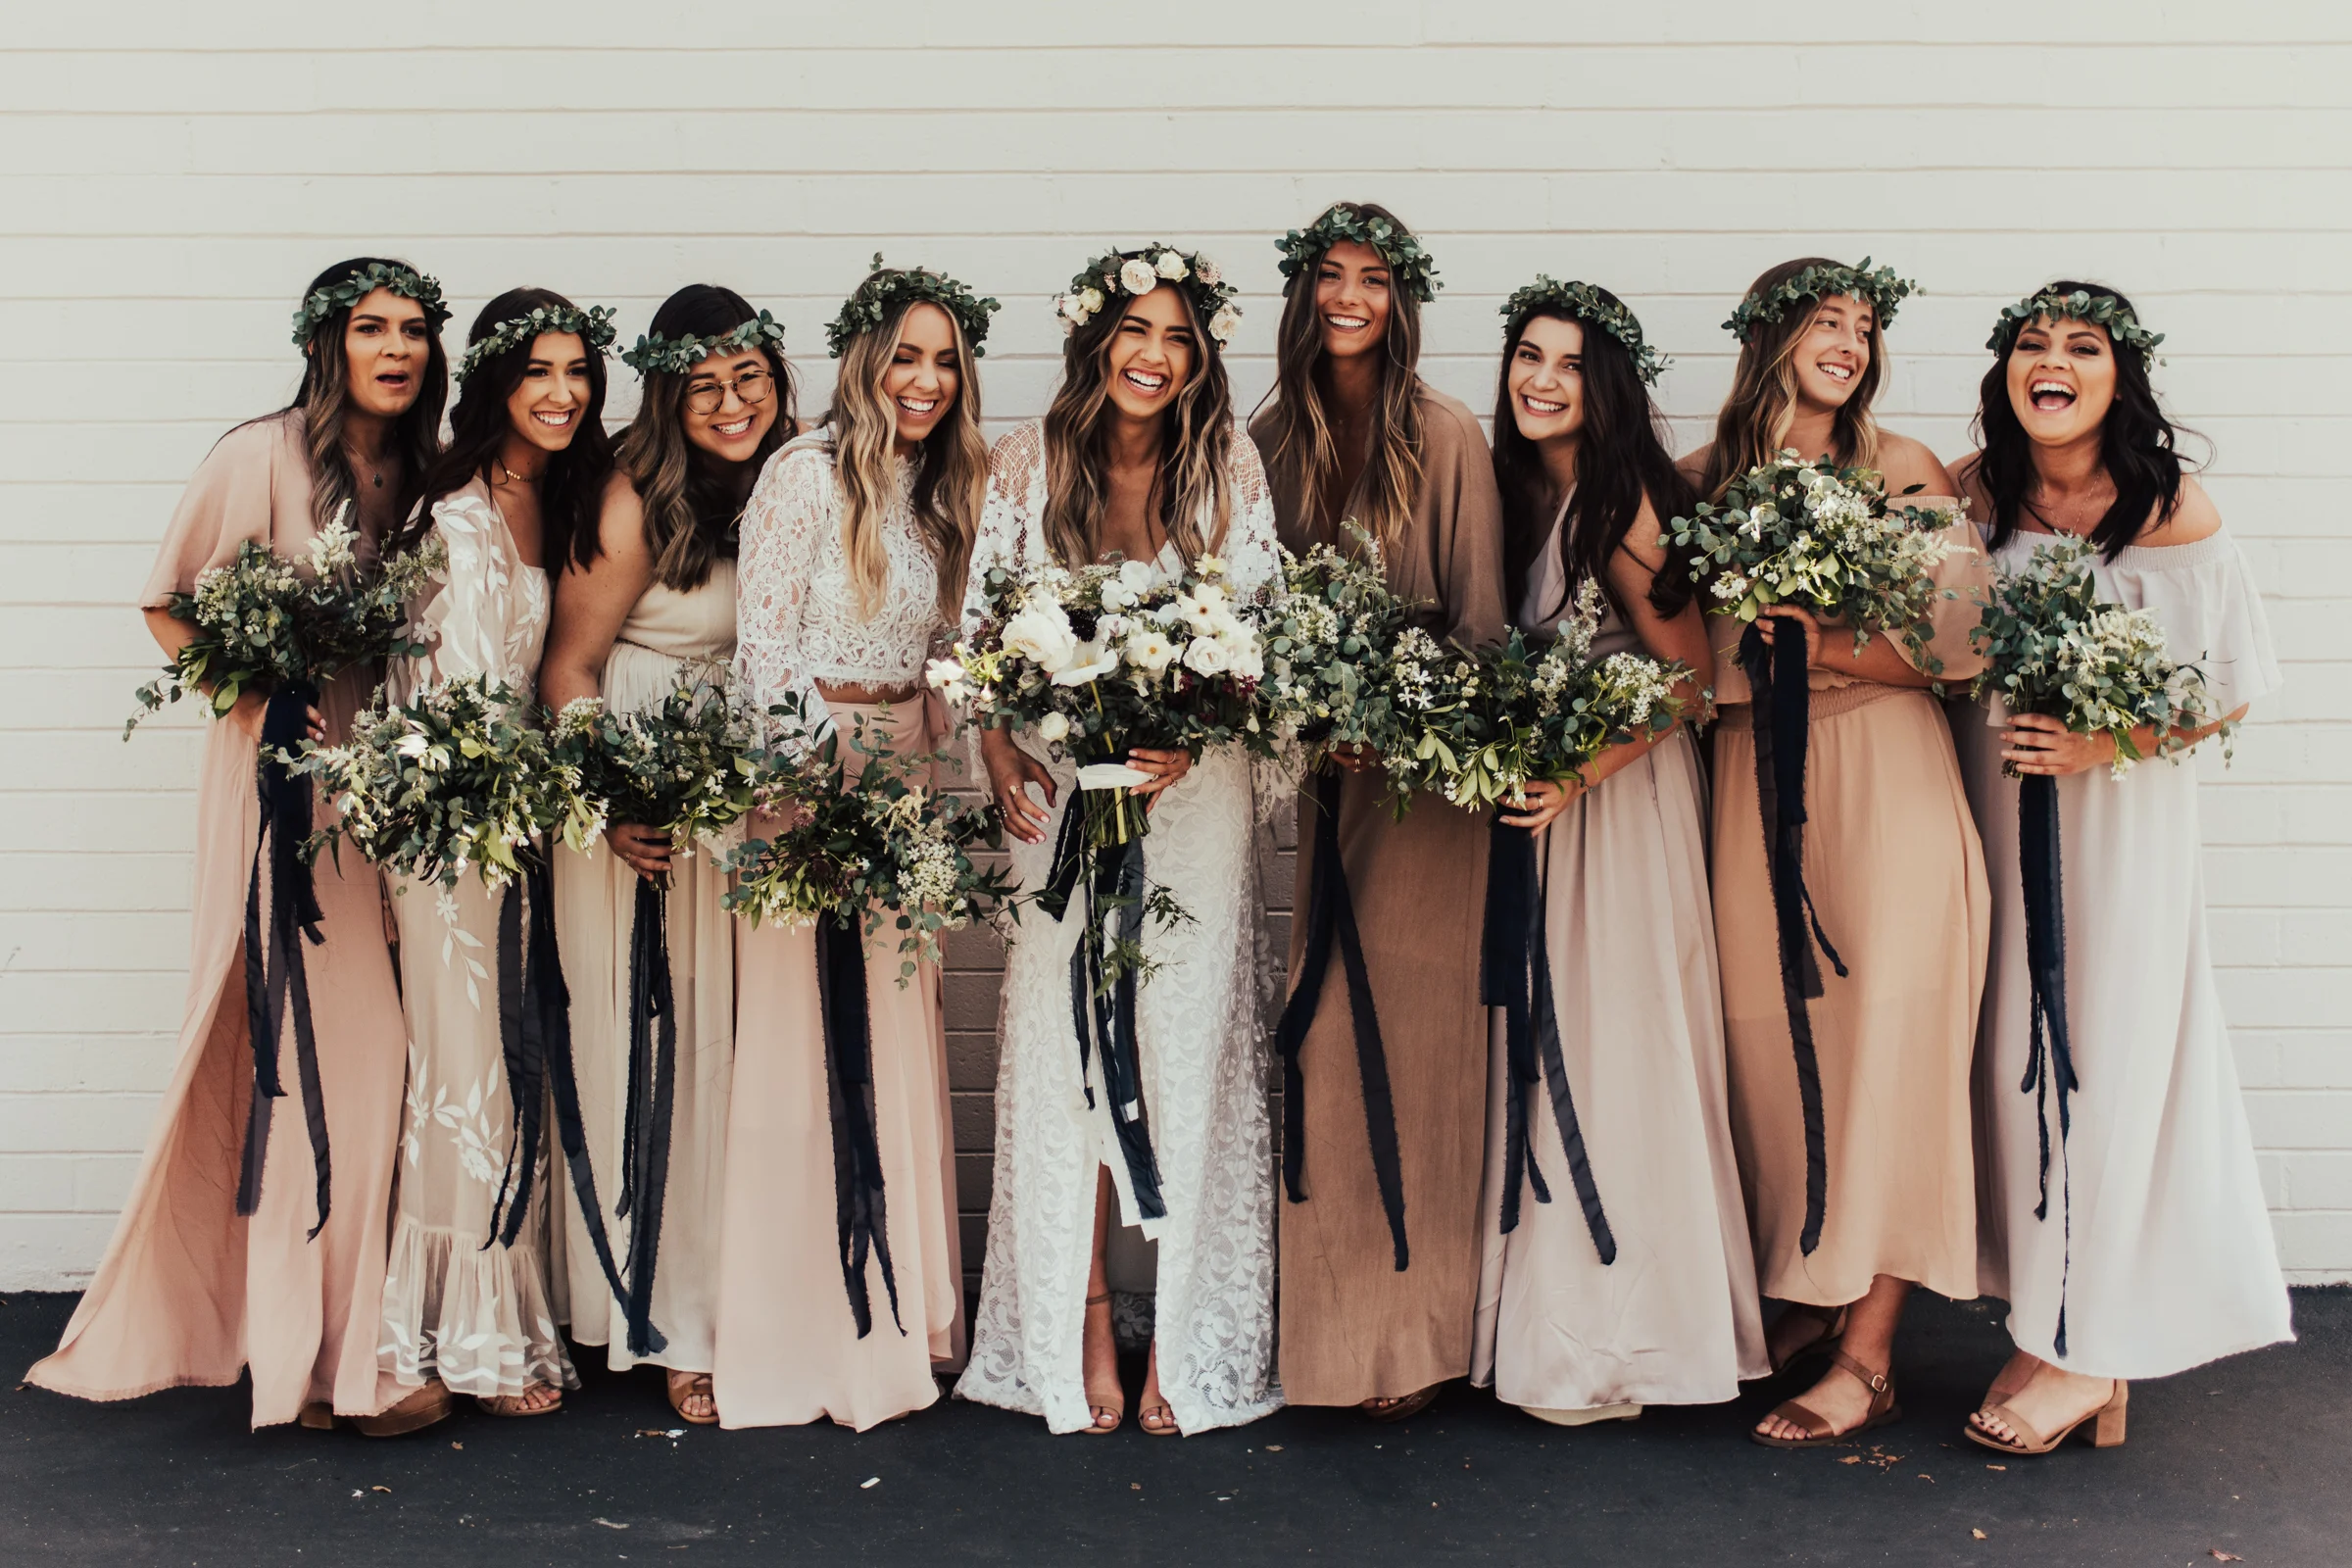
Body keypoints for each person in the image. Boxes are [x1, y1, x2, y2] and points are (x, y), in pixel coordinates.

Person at [27, 259, 449, 1435]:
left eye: (415, 329)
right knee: (324, 1057)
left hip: (394, 779)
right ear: (325, 343)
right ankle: (319, 1365)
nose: (397, 348)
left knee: (383, 1062)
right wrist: (255, 701)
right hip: (285, 786)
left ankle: (324, 1334)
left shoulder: (425, 473)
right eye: (371, 327)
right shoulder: (256, 455)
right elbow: (166, 602)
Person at [1953, 283, 2292, 1456]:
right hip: (1994, 813)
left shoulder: (2168, 508)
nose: (2051, 361)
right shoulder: (1975, 492)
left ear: (2117, 377)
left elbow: (2229, 685)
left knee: (2104, 1063)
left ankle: (2089, 1350)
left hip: (2120, 828)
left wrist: (2106, 743)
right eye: (2031, 343)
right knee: (2012, 1063)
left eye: (2081, 346)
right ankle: (2045, 1314)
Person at [956, 244, 1282, 1437]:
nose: (1155, 356)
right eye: (1136, 331)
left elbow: (1260, 635)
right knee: (1067, 1052)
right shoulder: (1024, 464)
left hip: (1188, 800)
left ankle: (1184, 1343)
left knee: (1182, 1047)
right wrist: (997, 750)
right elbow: (981, 629)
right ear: (1096, 339)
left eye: (1179, 337)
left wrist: (1200, 736)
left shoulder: (1227, 463)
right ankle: (1080, 1313)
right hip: (1058, 794)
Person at [1681, 258, 1991, 1448]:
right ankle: (1811, 1288)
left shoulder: (1903, 467)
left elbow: (1959, 646)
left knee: (1894, 1050)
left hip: (1885, 776)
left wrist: (1819, 649)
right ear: (1769, 337)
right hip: (1753, 783)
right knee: (1767, 1045)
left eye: (1865, 327)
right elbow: (1677, 653)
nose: (1851, 344)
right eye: (1827, 322)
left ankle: (1869, 1354)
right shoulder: (1701, 482)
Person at [1470, 278, 1768, 1424]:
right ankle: (1543, 1319)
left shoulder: (1627, 502)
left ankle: (1623, 1342)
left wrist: (1574, 777)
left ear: (1606, 388)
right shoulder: (1514, 491)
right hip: (1545, 803)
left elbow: (1690, 680)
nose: (1541, 380)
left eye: (1568, 364)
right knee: (1542, 1051)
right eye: (1527, 356)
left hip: (1617, 804)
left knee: (1614, 1047)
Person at [711, 260, 989, 1430]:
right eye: (905, 356)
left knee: (893, 1026)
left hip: (903, 771)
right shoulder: (802, 473)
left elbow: (948, 647)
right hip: (810, 777)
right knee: (806, 1034)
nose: (924, 380)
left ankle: (896, 1312)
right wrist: (815, 781)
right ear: (865, 362)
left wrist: (972, 739)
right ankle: (804, 1325)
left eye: (944, 361)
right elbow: (764, 645)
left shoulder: (938, 487)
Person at [1249, 202, 1505, 1418]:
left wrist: (1396, 717)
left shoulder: (1444, 434)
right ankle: (1335, 1336)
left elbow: (1482, 630)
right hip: (1325, 783)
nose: (1351, 297)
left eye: (1375, 278)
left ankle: (1410, 1340)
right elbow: (1246, 617)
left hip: (1425, 798)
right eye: (1331, 274)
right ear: (1303, 292)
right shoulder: (1266, 438)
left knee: (1409, 1051)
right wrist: (1307, 714)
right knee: (1327, 1047)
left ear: (1402, 300)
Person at [538, 286, 793, 1424]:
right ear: (667, 397)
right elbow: (568, 666)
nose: (733, 403)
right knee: (651, 1052)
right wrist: (610, 801)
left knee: (728, 1059)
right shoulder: (633, 497)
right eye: (705, 387)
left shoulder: (791, 480)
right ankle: (663, 1320)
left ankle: (724, 1299)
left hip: (736, 806)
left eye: (750, 379)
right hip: (640, 811)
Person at [375, 288, 616, 1424]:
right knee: (463, 1068)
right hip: (445, 830)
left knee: (522, 1063)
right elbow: (401, 685)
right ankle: (452, 1332)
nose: (562, 392)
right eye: (539, 372)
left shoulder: (562, 498)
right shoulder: (446, 508)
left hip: (527, 828)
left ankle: (511, 1312)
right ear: (495, 383)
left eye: (578, 372)